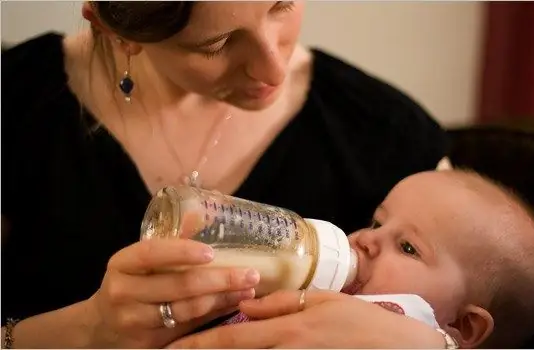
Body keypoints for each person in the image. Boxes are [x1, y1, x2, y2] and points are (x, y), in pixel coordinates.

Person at [1, 1, 451, 348]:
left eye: (282, 5)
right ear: (116, 30)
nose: (272, 68)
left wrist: (431, 343)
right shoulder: (17, 108)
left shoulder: (385, 134)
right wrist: (84, 332)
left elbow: (499, 312)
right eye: (215, 45)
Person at [175, 169, 534, 349]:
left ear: (462, 327)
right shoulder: (311, 287)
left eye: (408, 247)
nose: (368, 239)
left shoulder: (401, 324)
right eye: (377, 221)